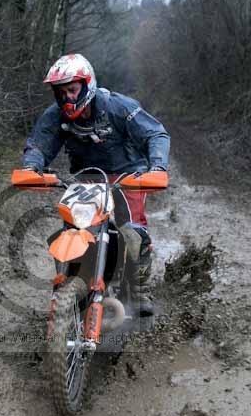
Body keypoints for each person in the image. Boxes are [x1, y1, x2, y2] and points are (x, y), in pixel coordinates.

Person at [22, 53, 170, 316]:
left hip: (127, 176)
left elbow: (155, 133)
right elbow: (39, 144)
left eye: (72, 90)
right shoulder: (55, 115)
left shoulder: (117, 107)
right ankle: (71, 281)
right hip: (86, 178)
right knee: (72, 229)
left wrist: (157, 167)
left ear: (87, 84)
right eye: (61, 92)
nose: (67, 98)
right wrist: (31, 168)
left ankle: (137, 288)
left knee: (133, 232)